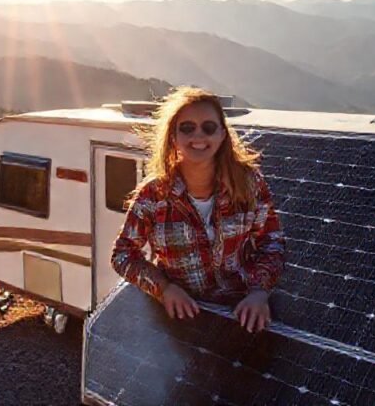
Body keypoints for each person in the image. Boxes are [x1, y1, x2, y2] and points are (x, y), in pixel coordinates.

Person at [111, 86, 285, 333]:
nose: (198, 136)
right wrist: (164, 289)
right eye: (187, 128)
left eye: (209, 127)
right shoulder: (153, 195)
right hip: (181, 317)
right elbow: (123, 254)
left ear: (223, 134)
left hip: (242, 314)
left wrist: (259, 292)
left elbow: (272, 242)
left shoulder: (249, 185)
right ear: (174, 136)